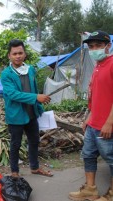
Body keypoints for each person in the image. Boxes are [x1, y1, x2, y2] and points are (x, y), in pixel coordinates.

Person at [69, 31, 113, 201]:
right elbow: (98, 97)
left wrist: (110, 122)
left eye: (98, 46)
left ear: (108, 46)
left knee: (111, 160)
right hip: (94, 124)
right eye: (91, 46)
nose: (94, 49)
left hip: (107, 125)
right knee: (88, 155)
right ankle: (90, 189)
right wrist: (89, 117)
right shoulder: (97, 66)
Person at [0, 39, 53, 178]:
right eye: (14, 53)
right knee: (15, 144)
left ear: (25, 54)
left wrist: (39, 104)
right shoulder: (6, 74)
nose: (18, 56)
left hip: (31, 113)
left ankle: (34, 168)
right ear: (9, 56)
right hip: (16, 115)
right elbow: (12, 94)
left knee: (34, 141)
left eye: (20, 53)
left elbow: (34, 88)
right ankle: (15, 172)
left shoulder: (30, 69)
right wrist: (36, 97)